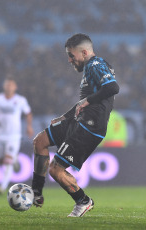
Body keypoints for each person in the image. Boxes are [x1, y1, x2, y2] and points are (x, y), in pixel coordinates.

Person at [31, 33, 119, 217]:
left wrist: (88, 102)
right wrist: (66, 116)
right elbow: (85, 101)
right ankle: (36, 193)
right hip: (78, 121)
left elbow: (113, 88)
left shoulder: (95, 65)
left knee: (56, 169)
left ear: (85, 52)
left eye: (72, 55)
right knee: (40, 141)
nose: (70, 60)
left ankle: (83, 201)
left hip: (90, 127)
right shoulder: (91, 67)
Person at [0, 77, 34, 194]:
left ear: (15, 87)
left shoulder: (20, 100)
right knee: (2, 159)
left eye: (11, 85)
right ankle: (15, 159)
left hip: (14, 136)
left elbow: (28, 113)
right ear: (4, 86)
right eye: (7, 85)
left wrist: (29, 126)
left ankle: (2, 187)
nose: (9, 87)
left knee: (7, 161)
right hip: (0, 135)